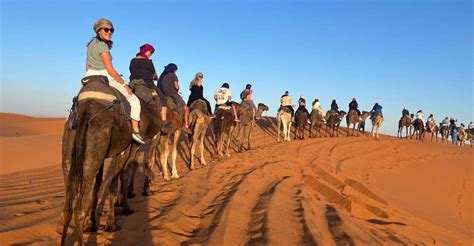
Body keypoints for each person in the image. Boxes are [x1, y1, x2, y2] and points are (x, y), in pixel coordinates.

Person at [85, 19, 145, 144]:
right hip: (105, 76)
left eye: (111, 30)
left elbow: (87, 66)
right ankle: (135, 130)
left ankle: (71, 123)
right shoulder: (102, 45)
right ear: (99, 31)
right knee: (134, 100)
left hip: (89, 76)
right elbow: (110, 70)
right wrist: (124, 84)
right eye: (106, 29)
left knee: (77, 101)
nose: (109, 32)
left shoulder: (90, 45)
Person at [129, 43, 172, 130]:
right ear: (145, 51)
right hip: (146, 83)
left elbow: (131, 70)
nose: (151, 54)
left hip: (132, 83)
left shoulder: (132, 60)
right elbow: (155, 75)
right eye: (150, 52)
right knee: (163, 99)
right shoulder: (148, 62)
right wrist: (155, 77)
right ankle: (163, 123)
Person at [157, 63, 192, 134]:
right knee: (186, 109)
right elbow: (176, 87)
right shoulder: (173, 75)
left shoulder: (162, 76)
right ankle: (186, 126)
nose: (176, 72)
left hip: (163, 96)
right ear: (173, 70)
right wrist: (178, 88)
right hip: (173, 95)